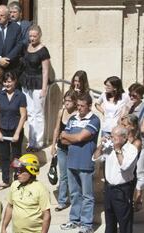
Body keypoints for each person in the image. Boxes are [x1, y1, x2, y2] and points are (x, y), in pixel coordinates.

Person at [60, 93, 100, 233]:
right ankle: (74, 220)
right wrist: (74, 138)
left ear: (89, 106)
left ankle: (87, 224)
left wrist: (72, 137)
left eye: (83, 106)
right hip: (71, 161)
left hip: (85, 163)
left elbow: (80, 137)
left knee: (87, 195)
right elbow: (62, 139)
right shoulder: (72, 119)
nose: (80, 108)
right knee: (74, 194)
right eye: (78, 106)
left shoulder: (94, 120)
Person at [93, 126, 138, 233]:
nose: (111, 139)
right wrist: (101, 146)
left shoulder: (131, 149)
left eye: (114, 137)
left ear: (124, 137)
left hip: (122, 191)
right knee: (110, 223)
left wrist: (117, 149)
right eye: (111, 136)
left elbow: (124, 166)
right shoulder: (109, 147)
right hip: (109, 189)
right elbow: (95, 158)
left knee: (125, 223)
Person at [1, 153, 51, 233]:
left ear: (31, 170)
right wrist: (3, 227)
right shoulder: (15, 184)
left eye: (21, 171)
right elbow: (10, 207)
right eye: (17, 170)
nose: (18, 174)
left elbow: (47, 215)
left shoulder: (41, 189)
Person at [0, 71, 27, 190]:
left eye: (9, 81)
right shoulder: (0, 95)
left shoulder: (20, 96)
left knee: (16, 156)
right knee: (4, 156)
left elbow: (23, 116)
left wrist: (17, 133)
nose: (7, 84)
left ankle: (18, 179)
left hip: (15, 129)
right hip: (3, 129)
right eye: (5, 82)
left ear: (14, 81)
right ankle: (5, 180)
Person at [19, 25, 50, 152]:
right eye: (30, 36)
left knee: (38, 113)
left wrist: (44, 88)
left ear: (40, 35)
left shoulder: (43, 50)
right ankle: (31, 141)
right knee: (30, 113)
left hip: (38, 84)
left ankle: (38, 142)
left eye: (34, 36)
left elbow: (45, 71)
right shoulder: (27, 47)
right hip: (27, 83)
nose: (32, 38)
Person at [50, 90, 78, 211]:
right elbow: (57, 128)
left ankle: (74, 198)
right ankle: (62, 200)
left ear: (75, 102)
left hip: (73, 148)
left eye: (69, 101)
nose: (66, 103)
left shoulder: (78, 114)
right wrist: (53, 145)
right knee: (63, 175)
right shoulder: (61, 112)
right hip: (61, 148)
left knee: (72, 175)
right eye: (65, 100)